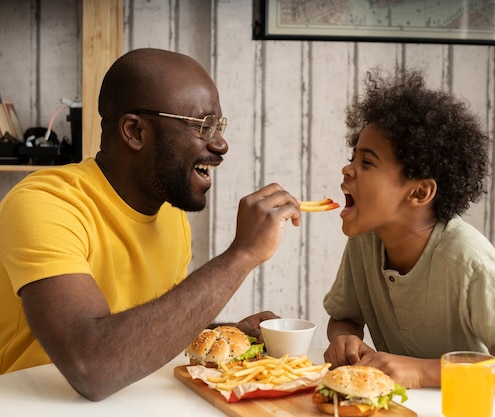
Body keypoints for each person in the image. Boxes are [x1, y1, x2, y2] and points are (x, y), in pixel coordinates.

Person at [0, 48, 302, 401]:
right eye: (204, 126)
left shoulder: (171, 216)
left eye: (218, 126)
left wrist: (223, 332)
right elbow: (91, 366)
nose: (221, 144)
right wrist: (241, 255)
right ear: (135, 131)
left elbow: (142, 332)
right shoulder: (46, 204)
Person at [322, 68, 495, 396]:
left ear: (419, 193)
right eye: (352, 157)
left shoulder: (467, 260)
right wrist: (345, 339)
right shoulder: (364, 242)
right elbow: (345, 317)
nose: (347, 168)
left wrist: (421, 371)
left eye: (366, 163)